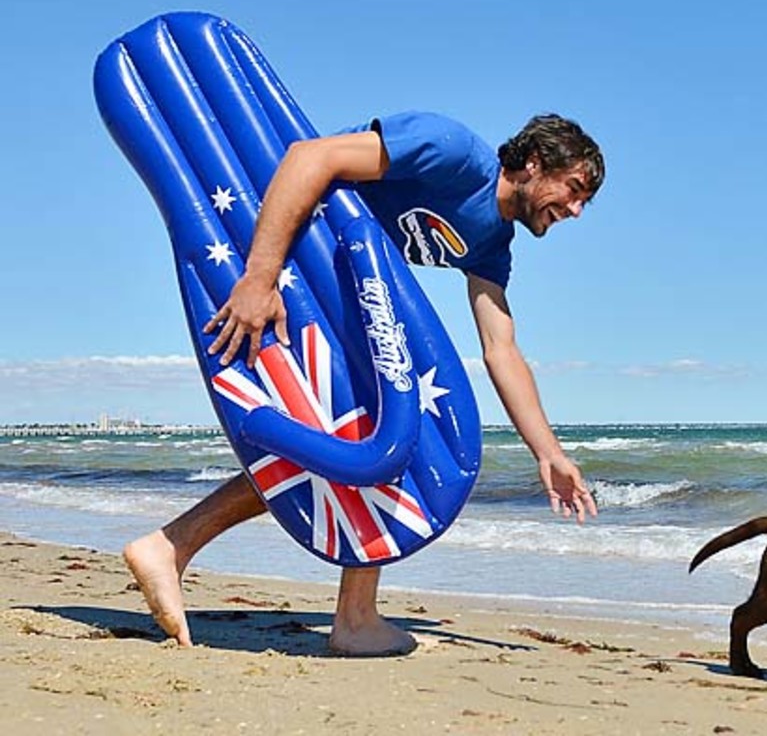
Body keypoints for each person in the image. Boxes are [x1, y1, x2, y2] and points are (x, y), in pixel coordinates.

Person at [123, 112, 604, 655]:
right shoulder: (453, 152)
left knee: (369, 445)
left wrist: (548, 453)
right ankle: (340, 612)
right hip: (294, 277)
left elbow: (501, 348)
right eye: (574, 189)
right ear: (536, 163)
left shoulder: (493, 242)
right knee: (383, 442)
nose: (575, 209)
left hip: (342, 304)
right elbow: (311, 157)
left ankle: (181, 547)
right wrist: (259, 278)